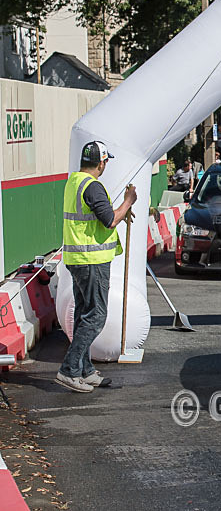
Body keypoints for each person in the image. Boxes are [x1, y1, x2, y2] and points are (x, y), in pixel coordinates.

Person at [57, 141, 137, 393]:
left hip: (78, 259)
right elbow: (109, 220)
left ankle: (85, 370)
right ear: (102, 163)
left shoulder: (74, 182)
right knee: (96, 316)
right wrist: (128, 202)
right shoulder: (92, 186)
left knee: (83, 314)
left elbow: (98, 215)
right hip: (91, 261)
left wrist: (122, 211)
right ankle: (69, 369)